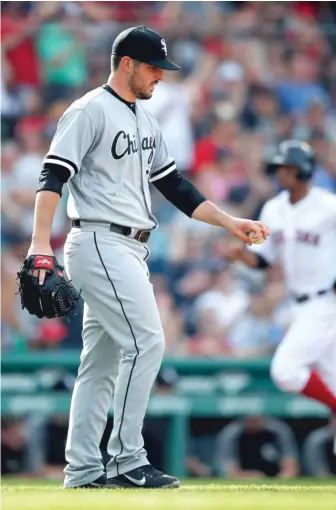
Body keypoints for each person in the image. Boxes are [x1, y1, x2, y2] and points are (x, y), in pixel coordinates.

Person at [27, 25, 269, 489]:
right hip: (98, 239)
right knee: (147, 343)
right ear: (127, 64)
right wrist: (40, 243)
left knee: (99, 362)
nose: (161, 75)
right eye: (154, 67)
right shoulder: (88, 111)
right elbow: (52, 175)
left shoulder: (144, 118)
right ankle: (125, 459)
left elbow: (175, 186)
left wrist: (230, 222)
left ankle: (82, 471)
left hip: (129, 247)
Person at [227, 140, 336, 483]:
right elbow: (265, 259)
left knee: (285, 370)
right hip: (299, 303)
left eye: (287, 168)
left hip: (330, 300)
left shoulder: (329, 205)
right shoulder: (274, 208)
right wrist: (244, 257)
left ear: (303, 170)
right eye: (278, 168)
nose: (280, 174)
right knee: (333, 381)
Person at [215, 416, 299, 479]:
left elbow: (291, 470)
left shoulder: (278, 430)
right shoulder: (232, 434)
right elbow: (230, 473)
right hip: (246, 481)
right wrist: (253, 477)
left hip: (275, 478)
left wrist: (278, 481)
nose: (254, 419)